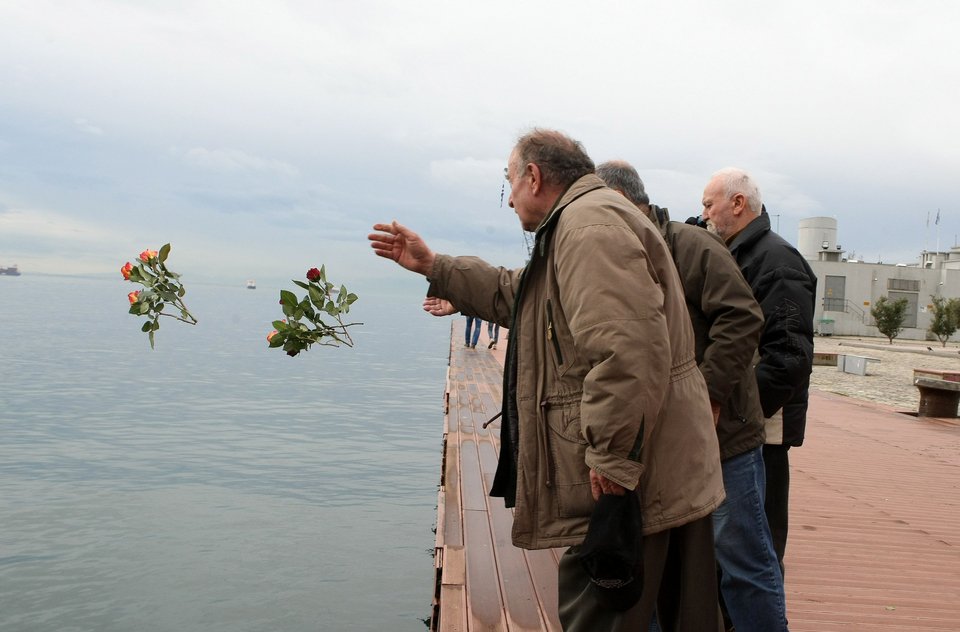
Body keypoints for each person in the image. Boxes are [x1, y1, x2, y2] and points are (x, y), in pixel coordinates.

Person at [370, 128, 725, 631]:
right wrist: (436, 267)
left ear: (533, 177)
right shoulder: (584, 223)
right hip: (661, 470)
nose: (510, 198)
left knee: (604, 611)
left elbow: (628, 351)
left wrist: (610, 457)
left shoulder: (587, 229)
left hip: (630, 485)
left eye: (508, 184)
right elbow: (520, 295)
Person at [597, 160, 789, 631]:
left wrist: (707, 396)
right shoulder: (625, 253)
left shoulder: (689, 245)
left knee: (743, 560)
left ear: (621, 201)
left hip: (723, 438)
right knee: (666, 563)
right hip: (667, 443)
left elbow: (743, 317)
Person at [701, 167, 817, 575]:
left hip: (760, 431)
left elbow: (789, 356)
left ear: (737, 203)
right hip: (742, 425)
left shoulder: (775, 259)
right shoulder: (740, 254)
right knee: (736, 540)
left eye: (708, 204)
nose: (702, 216)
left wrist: (741, 414)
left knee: (755, 545)